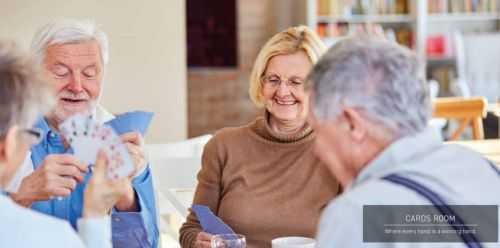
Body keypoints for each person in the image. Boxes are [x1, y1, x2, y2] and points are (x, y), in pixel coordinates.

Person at [307, 36, 500, 247]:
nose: (317, 149)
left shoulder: (355, 214)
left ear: (352, 124)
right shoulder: (485, 170)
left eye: (317, 130)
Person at [180, 26, 341, 248]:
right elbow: (191, 229)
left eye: (296, 82)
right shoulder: (223, 146)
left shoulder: (342, 150)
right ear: (261, 82)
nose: (283, 92)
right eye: (273, 79)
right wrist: (197, 241)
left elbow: (376, 233)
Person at [6, 19, 158, 248]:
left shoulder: (124, 143)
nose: (77, 86)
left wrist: (126, 201)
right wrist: (22, 196)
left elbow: (149, 246)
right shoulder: (8, 137)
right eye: (61, 73)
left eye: (89, 74)